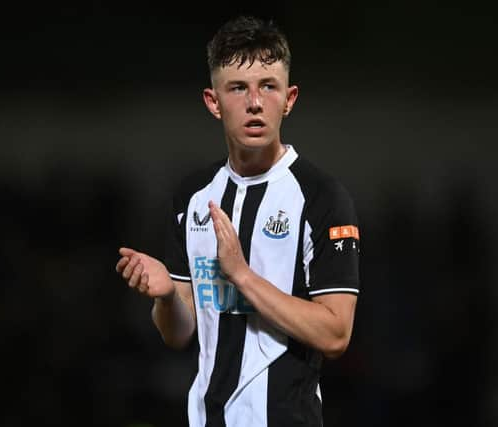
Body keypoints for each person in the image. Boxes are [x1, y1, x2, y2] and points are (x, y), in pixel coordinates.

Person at [116, 15, 360, 427]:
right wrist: (166, 297)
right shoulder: (192, 197)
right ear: (213, 102)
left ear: (289, 98)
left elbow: (336, 333)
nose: (254, 102)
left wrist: (242, 276)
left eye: (268, 86)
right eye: (238, 88)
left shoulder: (321, 198)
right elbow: (178, 332)